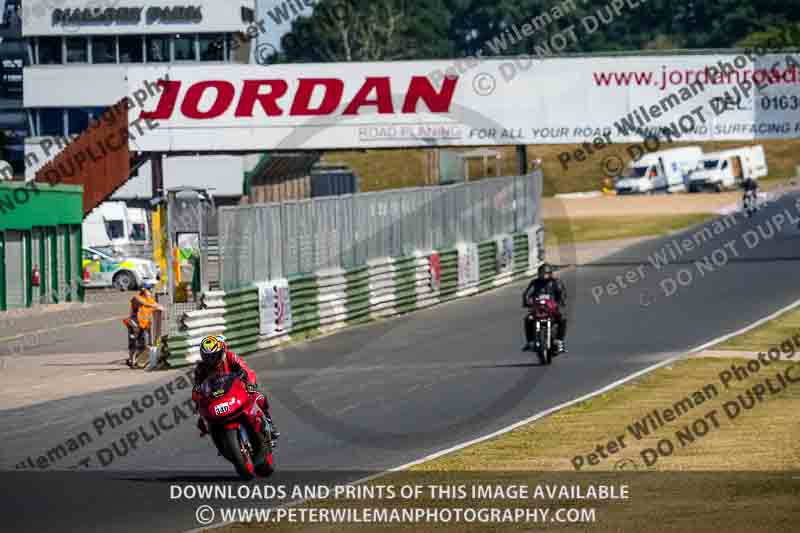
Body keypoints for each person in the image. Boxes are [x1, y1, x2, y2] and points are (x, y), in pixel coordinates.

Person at [192, 335, 280, 441]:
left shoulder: (231, 356)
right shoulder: (201, 368)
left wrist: (250, 384)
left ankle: (269, 424)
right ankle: (220, 440)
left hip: (238, 389)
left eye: (214, 356)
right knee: (202, 421)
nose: (211, 360)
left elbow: (246, 370)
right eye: (207, 357)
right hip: (217, 397)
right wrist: (198, 401)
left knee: (259, 397)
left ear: (221, 351)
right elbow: (197, 387)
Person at [522, 263, 568, 353]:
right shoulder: (534, 283)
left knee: (562, 319)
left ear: (550, 273)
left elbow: (562, 292)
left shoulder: (556, 282)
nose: (544, 275)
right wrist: (527, 301)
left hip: (552, 309)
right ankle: (530, 341)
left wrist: (560, 302)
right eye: (542, 273)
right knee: (528, 319)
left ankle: (559, 341)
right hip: (538, 309)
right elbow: (527, 293)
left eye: (546, 273)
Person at [123, 281, 163, 367]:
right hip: (134, 325)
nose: (151, 292)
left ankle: (138, 361)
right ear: (144, 290)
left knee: (142, 345)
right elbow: (144, 304)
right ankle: (132, 360)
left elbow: (158, 306)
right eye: (149, 290)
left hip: (143, 326)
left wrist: (160, 307)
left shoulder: (150, 300)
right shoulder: (136, 298)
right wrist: (155, 306)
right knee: (133, 344)